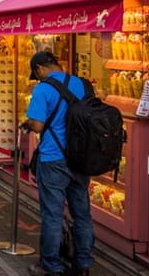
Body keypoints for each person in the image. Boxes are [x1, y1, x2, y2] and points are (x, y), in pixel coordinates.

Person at [22, 51, 94, 276]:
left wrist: (28, 123)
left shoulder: (43, 89)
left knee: (52, 213)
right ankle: (83, 263)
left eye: (37, 73)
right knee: (81, 213)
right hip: (81, 158)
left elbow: (38, 126)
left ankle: (51, 264)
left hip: (53, 157)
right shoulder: (83, 84)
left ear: (40, 68)